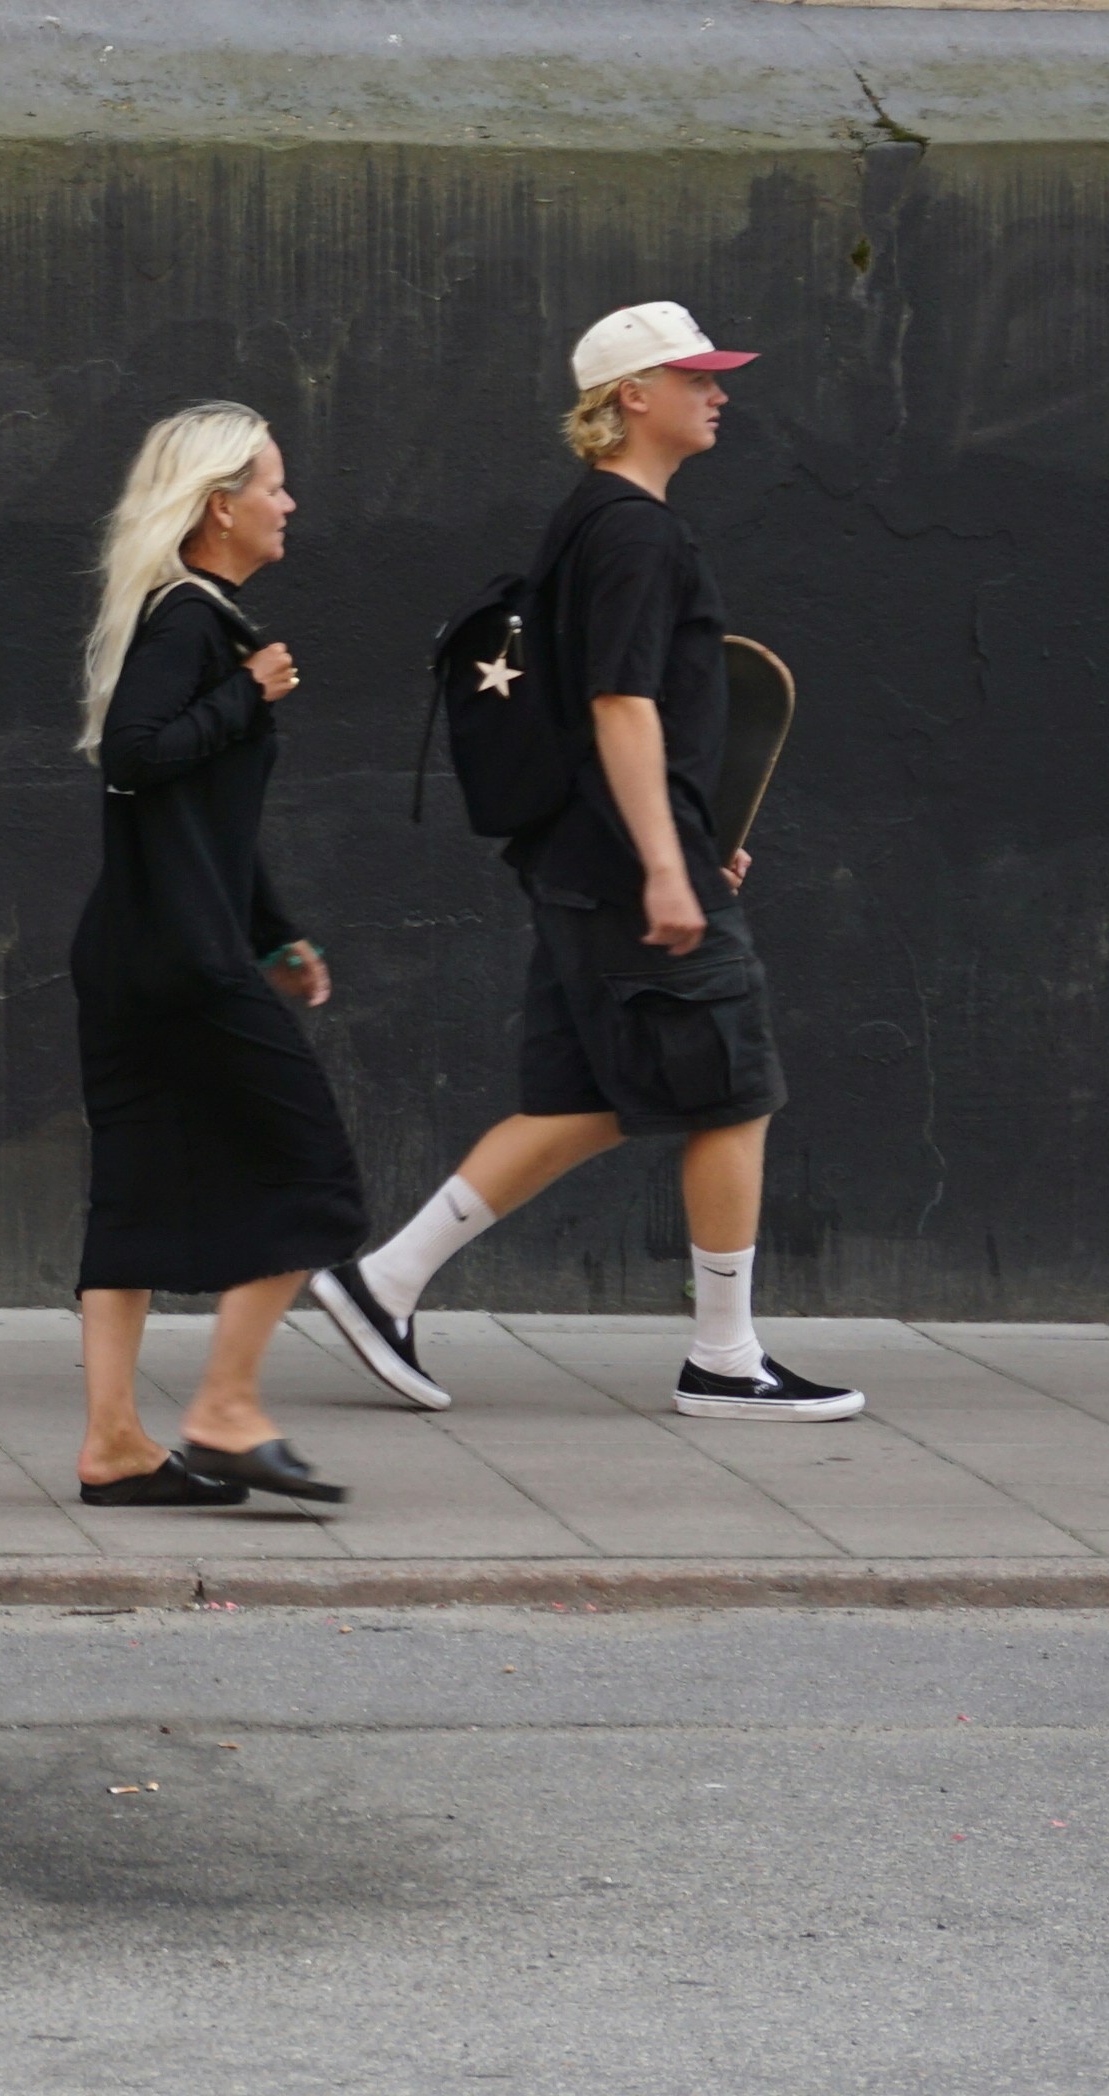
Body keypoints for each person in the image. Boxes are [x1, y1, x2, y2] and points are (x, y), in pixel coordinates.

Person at [310, 303, 866, 1424]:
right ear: (631, 398)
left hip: (583, 858)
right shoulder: (634, 533)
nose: (720, 392)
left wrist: (696, 839)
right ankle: (724, 1355)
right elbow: (620, 704)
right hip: (624, 869)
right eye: (695, 375)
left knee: (591, 1096)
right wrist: (670, 867)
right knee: (735, 1091)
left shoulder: (588, 522)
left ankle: (383, 1283)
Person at [64, 402, 370, 1508]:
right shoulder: (194, 624)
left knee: (135, 1195)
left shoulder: (185, 617)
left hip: (140, 949)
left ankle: (114, 1444)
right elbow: (138, 760)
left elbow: (204, 823)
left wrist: (274, 931)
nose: (290, 503)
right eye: (275, 485)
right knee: (314, 1172)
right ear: (218, 506)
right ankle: (225, 1407)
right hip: (181, 962)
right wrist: (247, 696)